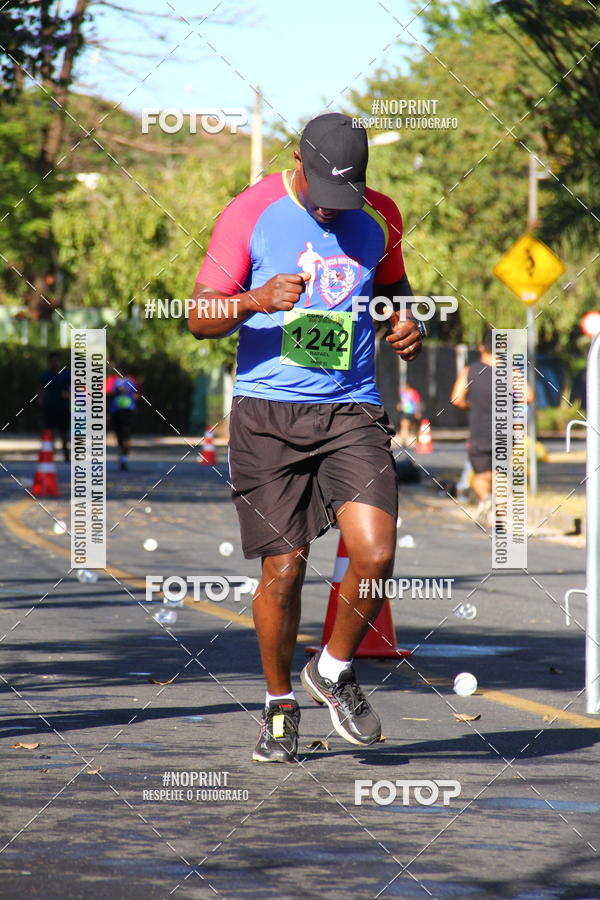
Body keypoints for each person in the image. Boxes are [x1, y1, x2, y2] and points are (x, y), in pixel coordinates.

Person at [188, 112, 425, 763]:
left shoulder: (379, 215)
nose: (330, 210)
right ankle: (279, 705)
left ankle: (335, 669)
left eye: (342, 196)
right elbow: (197, 315)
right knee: (284, 569)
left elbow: (395, 292)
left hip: (352, 410)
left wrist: (406, 324)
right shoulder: (251, 211)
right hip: (268, 415)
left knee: (375, 551)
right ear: (297, 161)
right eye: (321, 193)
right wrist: (253, 300)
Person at [451, 329, 533, 526]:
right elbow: (528, 396)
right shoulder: (511, 372)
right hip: (505, 431)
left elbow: (456, 398)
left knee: (481, 474)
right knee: (502, 473)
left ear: (481, 348)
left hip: (478, 430)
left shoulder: (470, 371)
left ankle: (485, 498)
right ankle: (501, 516)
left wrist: (469, 405)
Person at [105, 364, 140, 471]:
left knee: (126, 432)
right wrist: (116, 392)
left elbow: (137, 394)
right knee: (119, 435)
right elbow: (106, 392)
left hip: (128, 411)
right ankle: (121, 453)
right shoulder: (112, 381)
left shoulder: (133, 381)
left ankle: (124, 455)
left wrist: (133, 396)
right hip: (116, 412)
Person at [40, 351, 71, 461]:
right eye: (52, 361)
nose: (54, 363)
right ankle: (50, 454)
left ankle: (66, 453)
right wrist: (40, 400)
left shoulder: (66, 374)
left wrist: (68, 394)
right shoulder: (45, 375)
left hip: (63, 407)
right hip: (49, 406)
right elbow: (41, 389)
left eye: (56, 361)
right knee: (50, 431)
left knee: (63, 432)